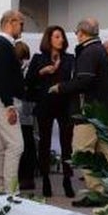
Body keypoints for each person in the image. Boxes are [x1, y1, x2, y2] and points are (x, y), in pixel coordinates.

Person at [49, 17, 108, 202]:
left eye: (77, 33)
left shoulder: (88, 52)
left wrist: (60, 87)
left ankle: (98, 193)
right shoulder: (101, 50)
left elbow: (84, 81)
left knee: (82, 152)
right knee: (105, 152)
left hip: (88, 113)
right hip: (104, 112)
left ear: (81, 33)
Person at [26, 25, 76, 198]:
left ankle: (67, 179)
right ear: (49, 39)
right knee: (44, 143)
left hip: (65, 105)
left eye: (62, 36)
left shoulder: (70, 59)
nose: (61, 39)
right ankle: (46, 178)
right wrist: (42, 72)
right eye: (56, 36)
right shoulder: (38, 59)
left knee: (67, 144)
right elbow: (28, 82)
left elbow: (75, 82)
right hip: (45, 106)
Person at [0, 10, 26, 193]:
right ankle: (11, 193)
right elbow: (2, 77)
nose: (22, 28)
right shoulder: (2, 45)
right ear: (11, 22)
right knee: (16, 145)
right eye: (21, 24)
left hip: (0, 101)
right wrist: (9, 105)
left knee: (1, 145)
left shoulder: (2, 44)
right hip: (3, 103)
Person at [14, 40, 37, 190]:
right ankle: (26, 177)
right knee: (27, 142)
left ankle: (26, 176)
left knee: (25, 144)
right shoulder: (27, 67)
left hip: (23, 109)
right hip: (26, 110)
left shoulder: (23, 68)